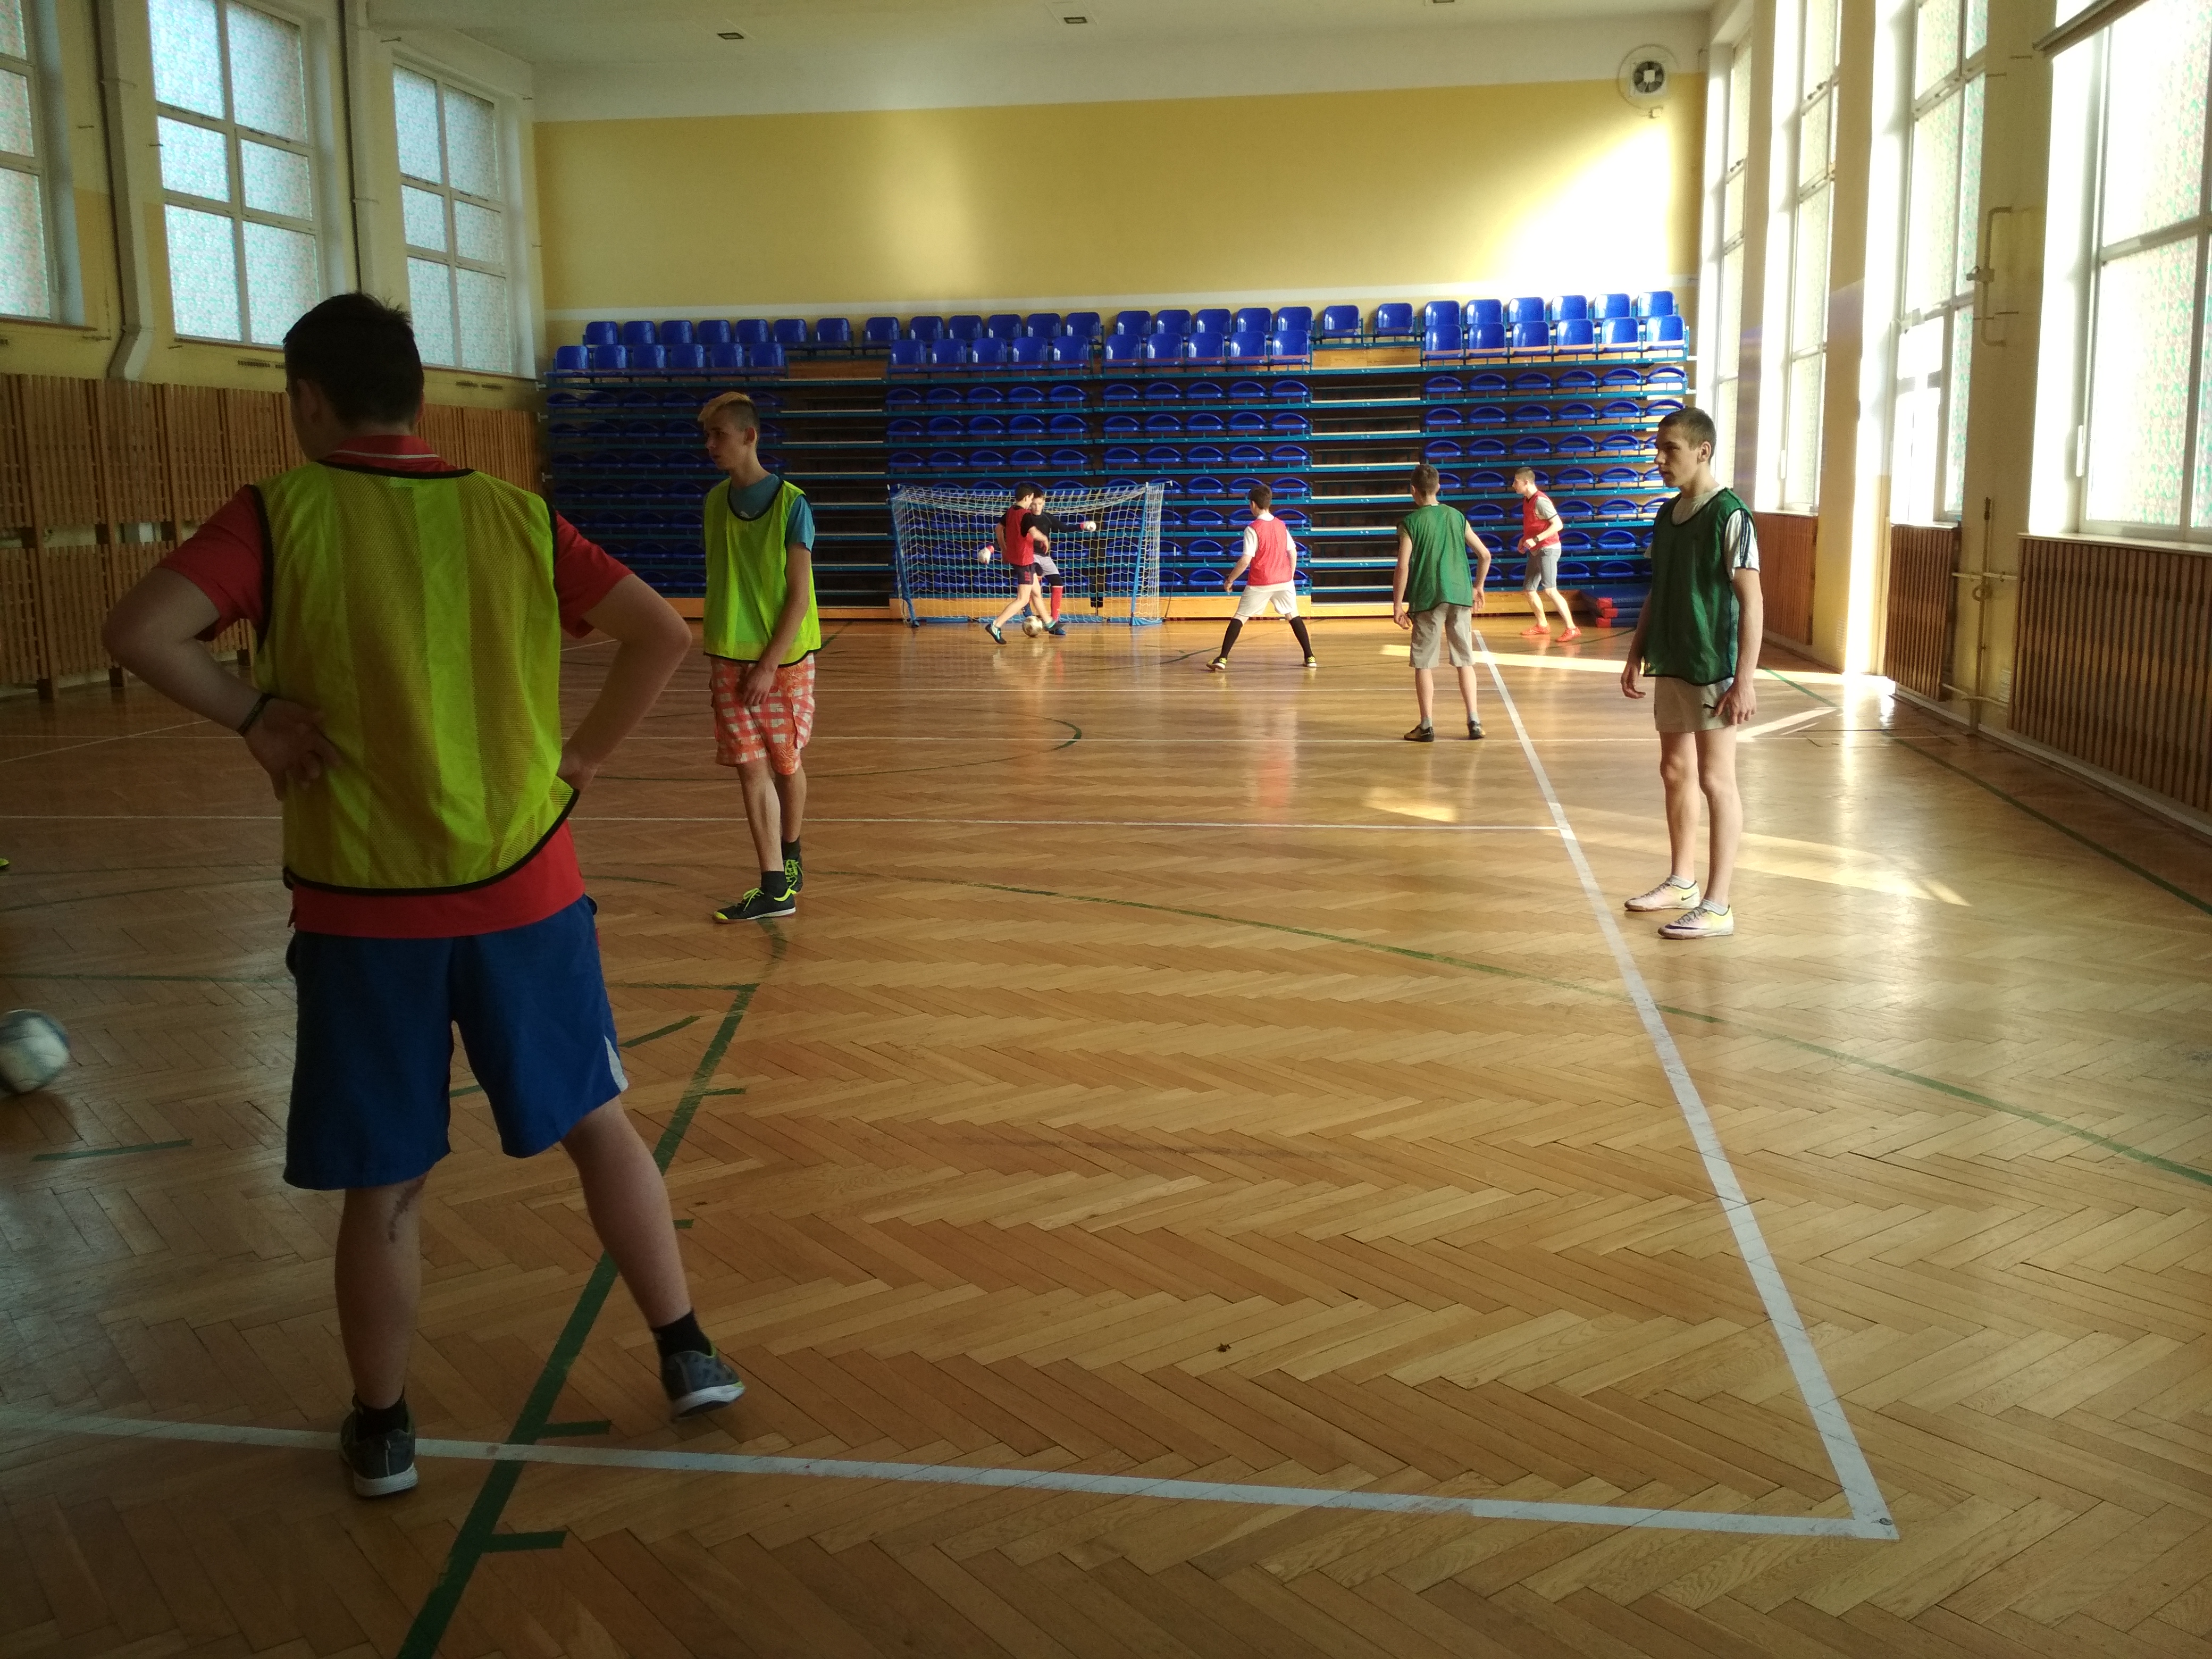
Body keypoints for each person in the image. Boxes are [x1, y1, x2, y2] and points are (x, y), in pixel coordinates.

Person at [100, 293, 743, 1500]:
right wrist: (583, 757)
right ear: (420, 396)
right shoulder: (513, 514)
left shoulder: (278, 515)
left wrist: (253, 713)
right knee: (599, 1125)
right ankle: (686, 1351)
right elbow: (660, 633)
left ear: (307, 400)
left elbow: (141, 629)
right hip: (526, 891)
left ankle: (386, 1427)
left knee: (386, 1183)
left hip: (363, 913)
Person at [1619, 405, 1763, 940]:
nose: (1659, 459)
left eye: (1669, 449)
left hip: (1713, 666)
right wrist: (1636, 651)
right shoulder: (1666, 514)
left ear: (1702, 451)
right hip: (1674, 660)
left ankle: (1718, 904)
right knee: (1674, 771)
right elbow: (1659, 590)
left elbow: (1752, 602)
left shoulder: (1730, 515)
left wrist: (1744, 680)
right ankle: (1682, 881)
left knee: (1715, 779)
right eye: (1657, 449)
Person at [699, 391, 819, 924]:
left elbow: (798, 597)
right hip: (728, 656)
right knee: (749, 769)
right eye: (706, 436)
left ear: (749, 436)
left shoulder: (793, 504)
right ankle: (774, 888)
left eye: (719, 434)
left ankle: (791, 851)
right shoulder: (712, 503)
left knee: (785, 764)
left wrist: (769, 664)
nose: (710, 445)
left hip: (783, 661)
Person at [1390, 463, 1493, 741]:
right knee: (1465, 661)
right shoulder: (1457, 517)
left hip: (1428, 597)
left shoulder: (1410, 523)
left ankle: (1427, 726)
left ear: (1413, 491)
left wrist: (1398, 604)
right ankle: (1474, 721)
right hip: (1460, 595)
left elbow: (1403, 566)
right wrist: (1478, 587)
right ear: (1438, 487)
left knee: (1424, 663)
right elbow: (1485, 555)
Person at [1208, 482, 1318, 672]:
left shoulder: (1253, 529)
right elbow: (1293, 552)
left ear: (1252, 504)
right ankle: (1310, 657)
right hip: (1284, 581)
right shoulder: (1281, 525)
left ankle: (1222, 658)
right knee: (1293, 615)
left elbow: (1246, 559)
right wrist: (1290, 576)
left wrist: (1230, 580)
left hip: (1261, 582)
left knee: (1240, 617)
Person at [984, 483, 1093, 643]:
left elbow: (999, 529)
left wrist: (1005, 550)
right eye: (1031, 500)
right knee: (1022, 599)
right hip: (1025, 560)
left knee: (1036, 592)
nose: (1032, 504)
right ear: (1028, 497)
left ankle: (1049, 622)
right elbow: (1034, 534)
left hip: (1018, 558)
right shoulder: (1025, 515)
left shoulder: (1010, 511)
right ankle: (996, 625)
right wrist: (1045, 538)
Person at [1512, 466, 1579, 640]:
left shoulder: (1541, 501)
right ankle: (1542, 625)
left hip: (1548, 549)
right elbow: (1535, 525)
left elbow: (1558, 525)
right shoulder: (1527, 500)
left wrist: (1535, 540)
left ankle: (1572, 628)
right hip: (1537, 550)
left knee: (1550, 590)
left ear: (1526, 482)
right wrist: (1524, 539)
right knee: (1529, 589)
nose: (1513, 485)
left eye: (1516, 482)